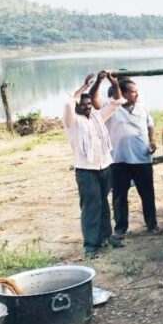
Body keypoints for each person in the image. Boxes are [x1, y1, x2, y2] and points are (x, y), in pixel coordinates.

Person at [62, 72, 125, 259]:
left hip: (105, 166)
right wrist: (83, 87)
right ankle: (90, 245)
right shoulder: (72, 121)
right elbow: (68, 102)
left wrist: (112, 82)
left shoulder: (97, 117)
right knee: (91, 206)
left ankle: (106, 237)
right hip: (86, 170)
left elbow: (116, 102)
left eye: (89, 104)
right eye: (83, 105)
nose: (88, 107)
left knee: (104, 203)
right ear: (77, 107)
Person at [90, 76, 160, 236]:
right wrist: (101, 81)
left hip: (142, 158)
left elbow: (150, 125)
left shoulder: (142, 107)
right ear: (123, 93)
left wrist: (152, 140)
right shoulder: (111, 107)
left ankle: (152, 225)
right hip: (118, 159)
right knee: (119, 195)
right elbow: (94, 99)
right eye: (133, 92)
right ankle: (121, 228)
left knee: (147, 193)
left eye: (136, 92)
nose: (136, 94)